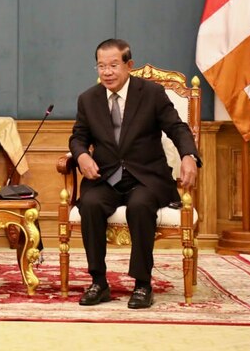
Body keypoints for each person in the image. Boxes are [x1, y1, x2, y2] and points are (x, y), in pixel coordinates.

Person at [68, 39, 200, 309]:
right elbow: (78, 137)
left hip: (145, 177)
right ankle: (98, 282)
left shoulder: (151, 93)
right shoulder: (88, 99)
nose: (107, 72)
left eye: (113, 65)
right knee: (90, 204)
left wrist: (189, 155)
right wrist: (81, 156)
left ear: (129, 65)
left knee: (139, 206)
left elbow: (177, 128)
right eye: (101, 66)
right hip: (106, 177)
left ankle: (142, 284)